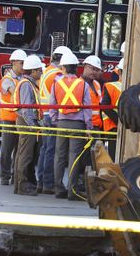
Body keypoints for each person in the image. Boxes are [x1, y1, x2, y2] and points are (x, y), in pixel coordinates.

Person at [50, 51, 92, 200]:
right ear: (76, 68)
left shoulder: (56, 84)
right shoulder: (83, 84)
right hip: (78, 124)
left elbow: (52, 105)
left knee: (59, 156)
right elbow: (87, 108)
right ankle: (71, 191)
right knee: (74, 157)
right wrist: (89, 128)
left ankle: (58, 189)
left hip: (61, 123)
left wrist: (55, 121)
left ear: (63, 68)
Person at [36, 46, 72, 193]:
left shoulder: (46, 72)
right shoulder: (57, 74)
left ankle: (41, 181)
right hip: (53, 116)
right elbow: (63, 93)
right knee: (52, 150)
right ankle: (48, 183)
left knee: (45, 149)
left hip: (45, 114)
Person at [12, 55, 45, 196]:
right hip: (26, 122)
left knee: (24, 153)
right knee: (25, 155)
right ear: (32, 71)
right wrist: (33, 125)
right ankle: (22, 185)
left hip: (26, 122)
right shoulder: (26, 84)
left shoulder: (28, 83)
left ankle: (23, 183)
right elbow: (26, 108)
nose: (41, 73)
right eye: (39, 70)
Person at [0, 49, 26, 185]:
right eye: (22, 63)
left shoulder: (22, 79)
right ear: (14, 63)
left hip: (20, 118)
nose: (23, 66)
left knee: (19, 149)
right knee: (7, 149)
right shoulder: (7, 80)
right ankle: (4, 176)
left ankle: (15, 175)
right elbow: (16, 94)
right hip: (9, 118)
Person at [101, 58, 123, 160]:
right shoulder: (135, 88)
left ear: (118, 72)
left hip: (112, 126)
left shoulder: (111, 86)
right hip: (129, 127)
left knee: (113, 157)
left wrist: (118, 121)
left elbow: (105, 106)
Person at [83, 55, 104, 131]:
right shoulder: (79, 84)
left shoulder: (97, 84)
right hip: (85, 125)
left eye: (97, 70)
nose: (94, 72)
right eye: (93, 69)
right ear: (85, 66)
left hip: (97, 125)